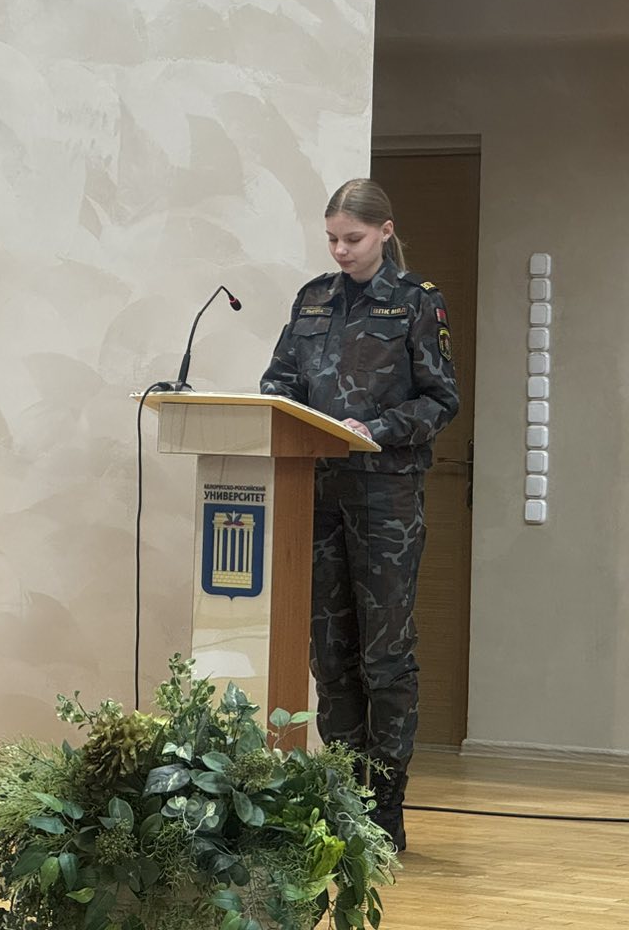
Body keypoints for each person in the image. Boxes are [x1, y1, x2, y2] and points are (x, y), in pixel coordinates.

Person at [260, 178, 459, 851]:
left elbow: (440, 399)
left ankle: (386, 806)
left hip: (385, 496)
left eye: (353, 238)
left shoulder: (416, 301)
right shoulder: (313, 299)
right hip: (314, 491)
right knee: (330, 653)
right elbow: (279, 380)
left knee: (385, 655)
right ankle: (343, 796)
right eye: (332, 239)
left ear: (385, 232)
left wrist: (374, 427)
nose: (341, 251)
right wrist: (286, 409)